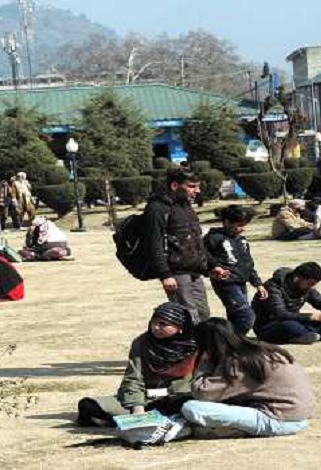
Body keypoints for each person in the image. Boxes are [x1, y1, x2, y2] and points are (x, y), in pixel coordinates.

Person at [180, 318, 315, 438]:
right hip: (296, 414)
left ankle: (235, 430)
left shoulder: (241, 362)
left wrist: (204, 360)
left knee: (191, 408)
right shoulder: (262, 349)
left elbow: (202, 393)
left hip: (280, 420)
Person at [77, 303, 198, 426]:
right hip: (146, 398)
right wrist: (137, 408)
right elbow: (133, 377)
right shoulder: (142, 343)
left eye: (163, 324)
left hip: (179, 397)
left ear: (180, 327)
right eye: (153, 322)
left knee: (187, 405)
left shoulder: (196, 346)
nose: (156, 327)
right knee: (88, 406)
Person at [143, 169, 210, 321]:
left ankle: (203, 344)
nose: (197, 191)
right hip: (175, 272)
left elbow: (196, 239)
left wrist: (212, 265)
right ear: (174, 185)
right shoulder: (157, 208)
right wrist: (165, 275)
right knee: (188, 316)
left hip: (194, 269)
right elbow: (154, 243)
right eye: (192, 186)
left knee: (203, 314)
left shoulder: (185, 206)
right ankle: (189, 345)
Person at [204, 205, 268, 336]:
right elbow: (203, 255)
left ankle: (230, 344)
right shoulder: (213, 238)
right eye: (239, 225)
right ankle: (230, 341)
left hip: (241, 281)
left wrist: (258, 284)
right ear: (227, 222)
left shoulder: (242, 240)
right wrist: (214, 266)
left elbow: (248, 264)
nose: (242, 229)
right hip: (226, 283)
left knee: (235, 316)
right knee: (246, 316)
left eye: (244, 225)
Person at [252, 263, 321, 345]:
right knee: (290, 326)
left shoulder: (306, 288)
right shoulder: (273, 288)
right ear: (297, 278)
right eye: (310, 283)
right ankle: (318, 334)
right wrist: (314, 317)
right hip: (269, 326)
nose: (311, 287)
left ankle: (313, 334)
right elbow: (280, 314)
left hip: (295, 321)